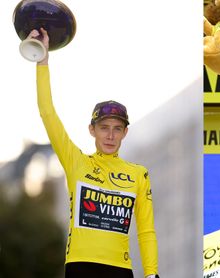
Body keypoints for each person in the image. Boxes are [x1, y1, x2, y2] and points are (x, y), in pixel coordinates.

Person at [29, 28, 160, 278]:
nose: (110, 136)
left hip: (121, 270)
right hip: (80, 267)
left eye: (117, 129)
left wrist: (152, 273)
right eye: (104, 128)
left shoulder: (138, 175)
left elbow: (146, 230)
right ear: (92, 130)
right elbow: (47, 112)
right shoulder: (75, 162)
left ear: (124, 133)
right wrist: (43, 61)